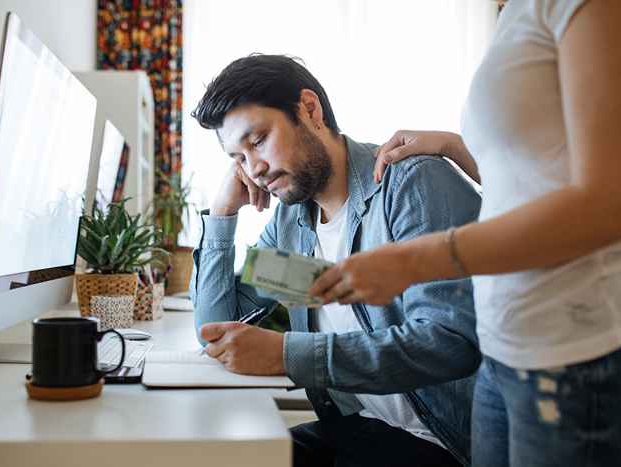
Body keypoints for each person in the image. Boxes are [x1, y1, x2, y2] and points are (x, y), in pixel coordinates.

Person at [310, 1, 621, 466]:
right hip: (503, 347)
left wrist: (412, 261)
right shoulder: (512, 15)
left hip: (576, 355)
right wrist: (455, 145)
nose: (252, 165)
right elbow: (537, 179)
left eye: (256, 141)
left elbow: (612, 203)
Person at [189, 54, 481, 467]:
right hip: (365, 430)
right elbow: (217, 332)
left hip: (445, 443)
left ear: (310, 110)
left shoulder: (409, 185)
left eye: (257, 141)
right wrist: (221, 217)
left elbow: (449, 344)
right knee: (224, 458)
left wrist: (287, 354)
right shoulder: (294, 223)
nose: (253, 169)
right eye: (237, 158)